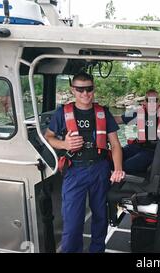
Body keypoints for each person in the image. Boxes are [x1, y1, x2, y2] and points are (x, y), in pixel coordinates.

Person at [44, 72, 125, 253]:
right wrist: (64, 143)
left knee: (100, 218)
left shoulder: (103, 113)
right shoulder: (62, 113)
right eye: (80, 89)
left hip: (100, 169)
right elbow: (48, 137)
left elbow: (116, 145)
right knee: (72, 223)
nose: (85, 93)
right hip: (75, 171)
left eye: (89, 89)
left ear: (93, 89)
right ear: (73, 90)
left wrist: (117, 169)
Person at [115, 89, 160, 174]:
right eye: (149, 100)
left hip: (153, 150)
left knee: (126, 166)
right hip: (138, 146)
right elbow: (118, 119)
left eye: (155, 100)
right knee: (115, 157)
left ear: (159, 102)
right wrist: (101, 116)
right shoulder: (138, 113)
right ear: (144, 102)